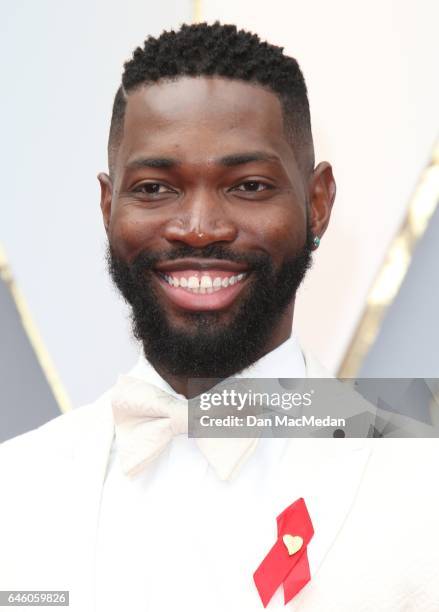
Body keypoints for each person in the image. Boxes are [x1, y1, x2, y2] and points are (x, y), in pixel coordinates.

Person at [1, 22, 438, 612]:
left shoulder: (420, 485)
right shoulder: (16, 488)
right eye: (155, 188)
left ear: (318, 202)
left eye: (249, 185)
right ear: (108, 206)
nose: (200, 227)